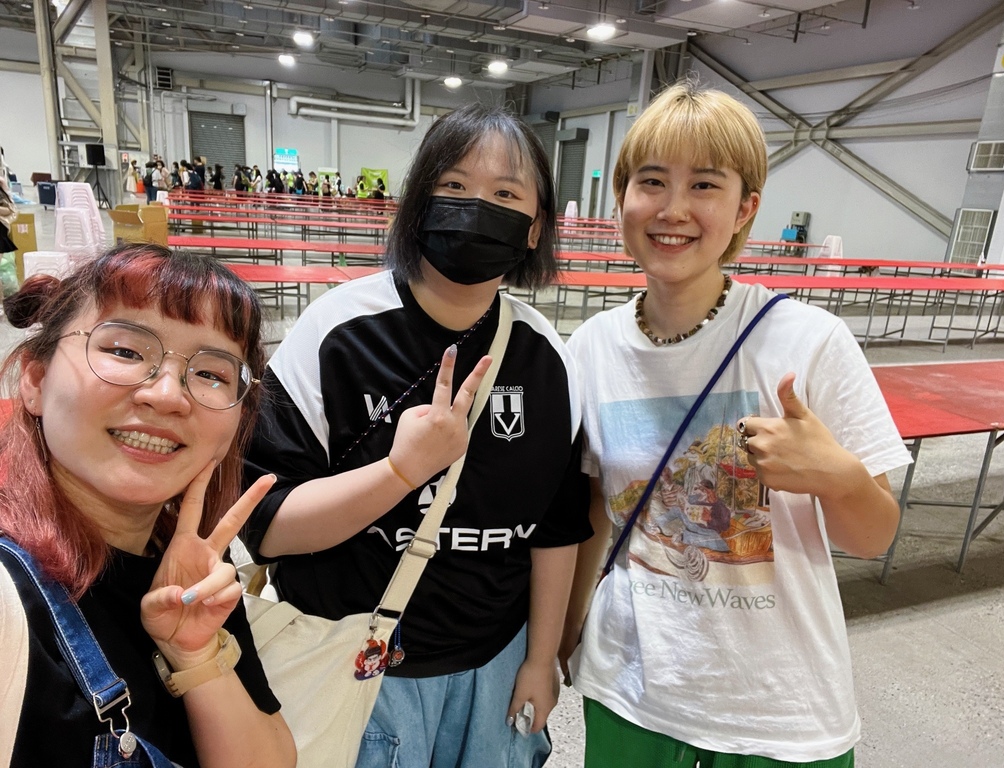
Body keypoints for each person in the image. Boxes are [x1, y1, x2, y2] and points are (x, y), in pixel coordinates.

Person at [559, 82, 912, 768]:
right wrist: (567, 635)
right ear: (622, 197)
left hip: (780, 709)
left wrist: (838, 478)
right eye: (652, 182)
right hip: (631, 688)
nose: (673, 209)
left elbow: (872, 539)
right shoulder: (591, 348)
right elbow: (595, 508)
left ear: (745, 207)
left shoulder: (810, 341)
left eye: (704, 185)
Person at [240, 103, 592, 767]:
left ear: (535, 227)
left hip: (494, 666)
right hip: (355, 665)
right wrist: (398, 474)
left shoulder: (549, 357)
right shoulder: (335, 333)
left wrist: (540, 660)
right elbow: (267, 525)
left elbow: (555, 529)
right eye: (454, 185)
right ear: (417, 203)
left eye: (505, 194)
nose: (476, 208)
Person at [0, 244, 297, 768]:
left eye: (211, 374)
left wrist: (196, 655)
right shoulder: (8, 597)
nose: (167, 395)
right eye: (125, 351)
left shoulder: (189, 565)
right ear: (35, 380)